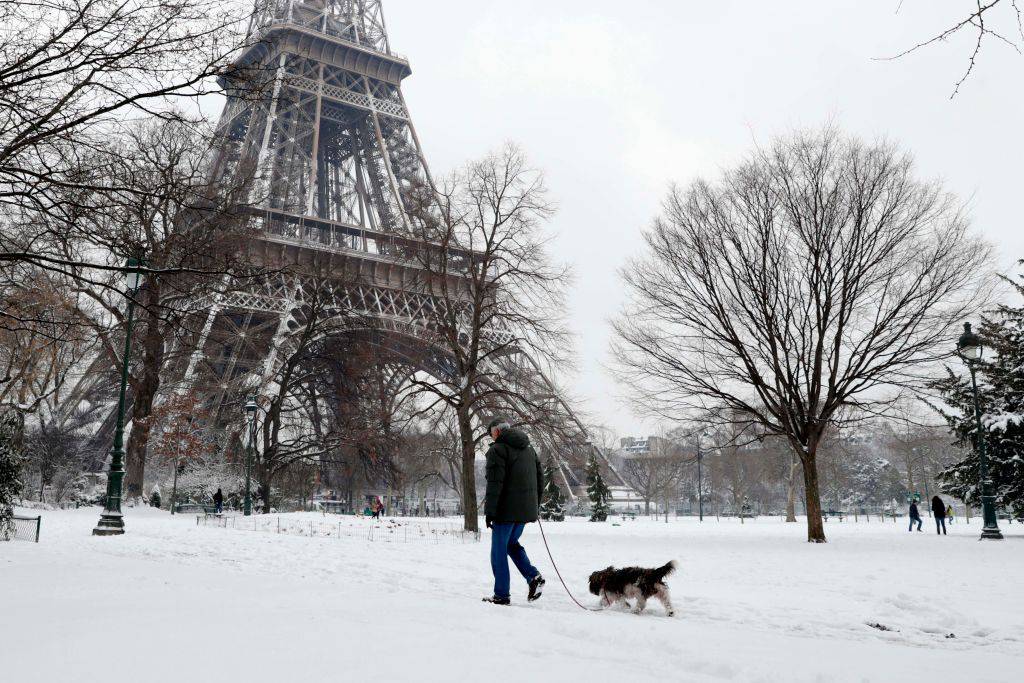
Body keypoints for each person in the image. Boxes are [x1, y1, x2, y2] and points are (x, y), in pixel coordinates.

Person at [482, 418, 546, 606]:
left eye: (491, 434)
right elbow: (540, 479)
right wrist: (534, 505)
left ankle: (501, 595)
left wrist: (490, 512)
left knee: (498, 552)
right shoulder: (529, 449)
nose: (492, 437)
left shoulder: (497, 450)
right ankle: (533, 577)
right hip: (525, 511)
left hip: (505, 512)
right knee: (510, 544)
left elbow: (495, 484)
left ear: (497, 432)